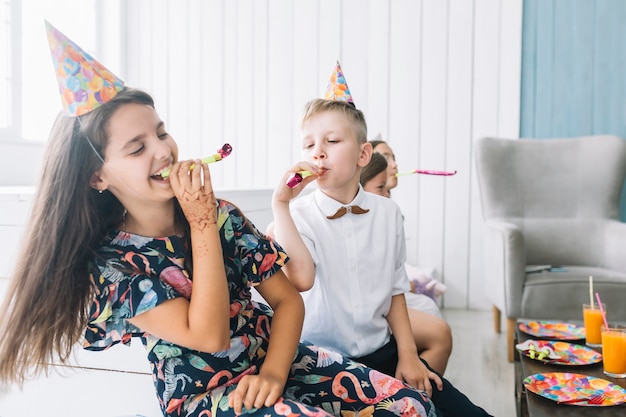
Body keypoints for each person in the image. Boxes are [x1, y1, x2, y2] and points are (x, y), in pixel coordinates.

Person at [0, 24, 438, 417]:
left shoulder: (223, 215)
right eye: (137, 148)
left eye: (161, 132)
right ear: (97, 176)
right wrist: (201, 222)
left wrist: (273, 375)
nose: (163, 150)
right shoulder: (114, 265)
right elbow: (209, 335)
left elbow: (289, 302)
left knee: (412, 405)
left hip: (276, 360)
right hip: (205, 399)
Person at [270, 93, 493, 417]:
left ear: (363, 154)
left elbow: (395, 290)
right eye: (308, 145)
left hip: (382, 350)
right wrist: (282, 207)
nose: (317, 152)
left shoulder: (388, 214)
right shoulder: (297, 217)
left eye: (332, 140)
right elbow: (301, 280)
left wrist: (408, 354)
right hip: (323, 363)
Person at [360, 152, 453, 375]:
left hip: (382, 303)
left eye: (388, 189)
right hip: (370, 312)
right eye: (381, 187)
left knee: (433, 317)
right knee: (439, 331)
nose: (387, 194)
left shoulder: (386, 214)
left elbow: (393, 278)